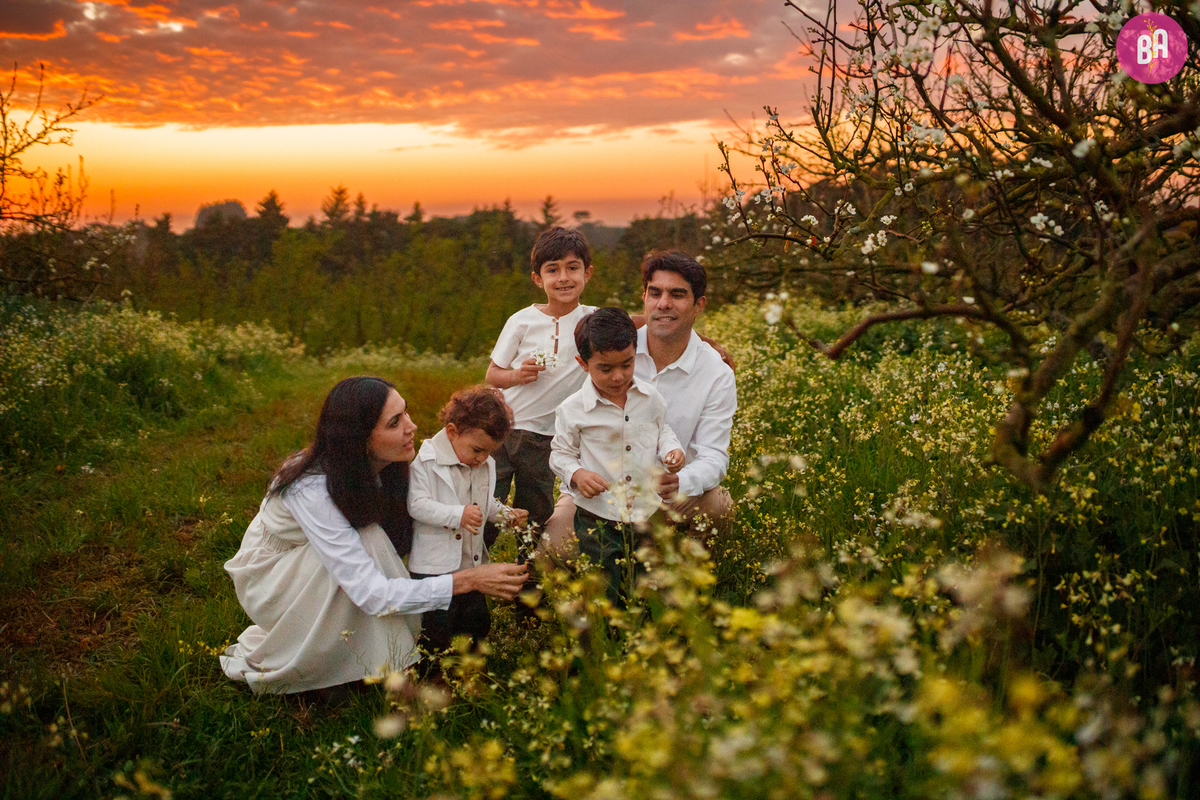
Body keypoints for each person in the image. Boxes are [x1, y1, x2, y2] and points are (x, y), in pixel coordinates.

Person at [220, 376, 527, 694]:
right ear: (361, 438)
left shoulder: (390, 464)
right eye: (395, 422)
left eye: (405, 412)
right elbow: (372, 593)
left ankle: (387, 657)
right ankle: (359, 671)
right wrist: (470, 580)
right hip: (274, 576)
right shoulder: (311, 488)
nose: (411, 426)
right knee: (369, 541)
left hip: (322, 561)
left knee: (372, 541)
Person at [542, 252, 737, 560]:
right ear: (644, 296)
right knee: (552, 549)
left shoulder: (716, 373)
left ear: (699, 305)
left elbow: (714, 456)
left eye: (677, 295)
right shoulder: (612, 344)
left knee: (719, 506)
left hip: (666, 496)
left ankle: (689, 586)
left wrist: (679, 482)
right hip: (598, 498)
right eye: (655, 292)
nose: (663, 304)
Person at [548, 307, 684, 607]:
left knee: (647, 577)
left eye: (627, 364)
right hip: (599, 513)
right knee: (604, 582)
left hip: (645, 510)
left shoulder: (650, 398)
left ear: (636, 353)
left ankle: (647, 632)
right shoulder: (573, 410)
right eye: (605, 368)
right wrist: (576, 474)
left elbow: (663, 431)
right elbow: (560, 454)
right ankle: (608, 637)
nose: (618, 376)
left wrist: (673, 451)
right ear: (583, 364)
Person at [485, 227, 596, 542]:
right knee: (487, 504)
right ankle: (473, 573)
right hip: (504, 432)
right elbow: (493, 373)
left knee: (537, 515)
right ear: (538, 279)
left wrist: (704, 339)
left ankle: (529, 582)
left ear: (587, 273)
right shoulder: (522, 321)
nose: (563, 277)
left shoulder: (592, 321)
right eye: (553, 270)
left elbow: (641, 324)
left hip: (548, 438)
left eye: (572, 268)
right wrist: (517, 375)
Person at [407, 385, 528, 656]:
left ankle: (471, 672)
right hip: (435, 566)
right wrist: (457, 514)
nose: (482, 458)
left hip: (471, 561)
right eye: (477, 450)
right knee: (437, 626)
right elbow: (416, 505)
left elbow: (485, 504)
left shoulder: (484, 464)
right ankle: (435, 674)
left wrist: (506, 515)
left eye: (489, 452)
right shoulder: (427, 461)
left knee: (475, 622)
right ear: (452, 432)